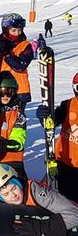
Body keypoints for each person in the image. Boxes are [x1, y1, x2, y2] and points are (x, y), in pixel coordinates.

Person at [0, 164, 78, 236]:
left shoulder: (37, 193)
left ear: (19, 184)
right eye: (6, 194)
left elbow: (74, 214)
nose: (13, 195)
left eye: (14, 188)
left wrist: (39, 228)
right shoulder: (0, 203)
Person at [36, 72, 78, 203]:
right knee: (50, 197)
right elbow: (51, 123)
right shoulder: (68, 105)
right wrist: (45, 117)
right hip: (62, 163)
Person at [0, 13, 33, 112]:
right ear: (6, 30)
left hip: (19, 90)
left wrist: (7, 55)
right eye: (13, 31)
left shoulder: (25, 46)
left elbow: (20, 66)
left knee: (15, 120)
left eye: (19, 30)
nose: (17, 33)